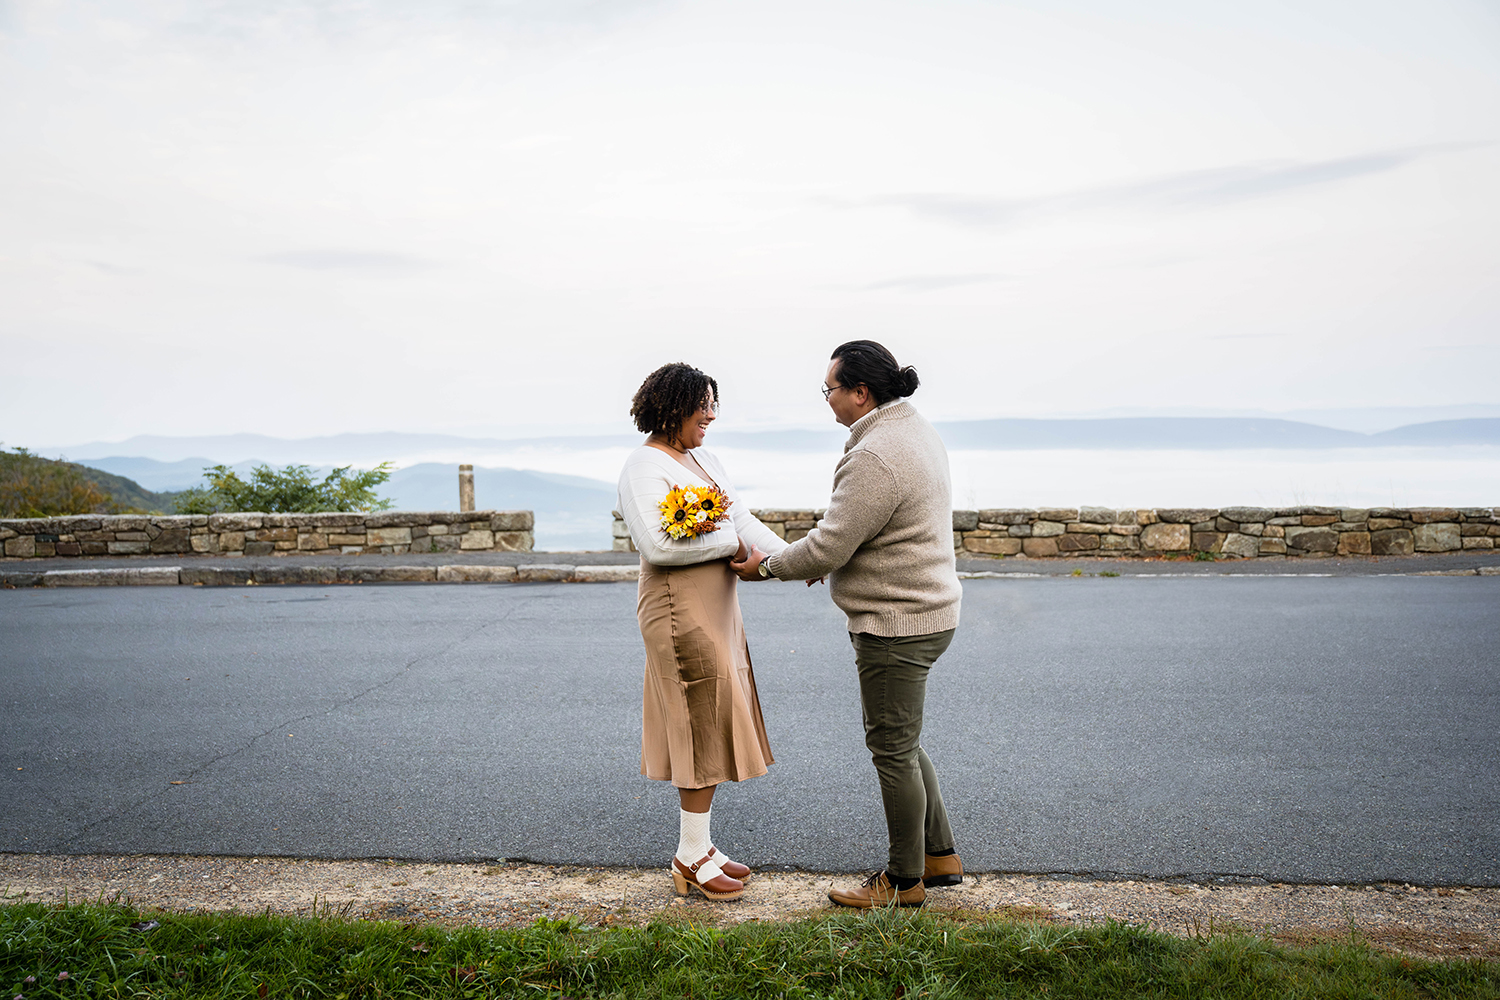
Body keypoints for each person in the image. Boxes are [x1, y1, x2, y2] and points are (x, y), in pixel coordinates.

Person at [731, 340, 963, 908]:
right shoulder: (914, 430)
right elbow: (858, 535)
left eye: (830, 389)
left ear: (862, 393)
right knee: (902, 743)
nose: (827, 400)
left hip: (896, 622)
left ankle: (904, 882)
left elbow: (832, 543)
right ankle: (939, 855)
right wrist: (825, 557)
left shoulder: (875, 455)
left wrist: (766, 567)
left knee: (891, 750)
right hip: (928, 610)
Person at [616, 362, 791, 902]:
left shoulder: (702, 458)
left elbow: (740, 519)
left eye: (715, 405)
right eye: (703, 405)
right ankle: (690, 855)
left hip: (716, 606)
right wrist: (735, 550)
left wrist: (794, 559)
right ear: (672, 407)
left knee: (713, 713)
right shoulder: (644, 467)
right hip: (677, 609)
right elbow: (659, 547)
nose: (711, 415)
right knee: (698, 718)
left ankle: (703, 846)